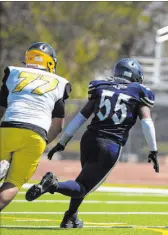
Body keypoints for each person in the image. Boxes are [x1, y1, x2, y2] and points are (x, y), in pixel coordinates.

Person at [25, 58, 159, 228]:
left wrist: (62, 142)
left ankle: (70, 217)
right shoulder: (138, 92)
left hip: (89, 140)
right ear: (137, 77)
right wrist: (153, 150)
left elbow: (81, 116)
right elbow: (147, 122)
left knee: (83, 179)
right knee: (83, 187)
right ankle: (53, 185)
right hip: (110, 145)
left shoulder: (102, 87)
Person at [0, 42, 71, 211]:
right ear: (50, 62)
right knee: (13, 182)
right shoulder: (61, 83)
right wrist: (42, 142)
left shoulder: (14, 72)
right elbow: (57, 126)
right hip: (37, 133)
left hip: (9, 127)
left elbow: (1, 108)